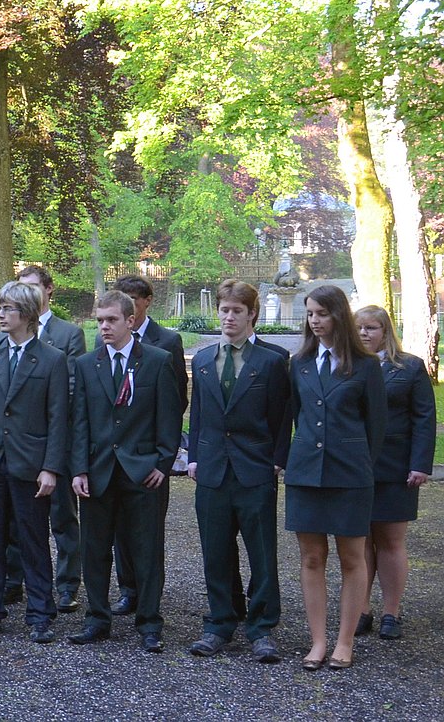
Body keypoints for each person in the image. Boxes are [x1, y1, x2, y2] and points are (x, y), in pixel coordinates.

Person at [69, 290, 181, 653]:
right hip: (98, 471)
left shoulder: (157, 361)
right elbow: (79, 420)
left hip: (143, 471)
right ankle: (96, 618)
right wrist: (78, 469)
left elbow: (169, 416)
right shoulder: (87, 364)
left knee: (146, 550)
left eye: (111, 320)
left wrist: (162, 463)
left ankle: (149, 622)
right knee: (95, 549)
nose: (104, 326)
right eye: (99, 320)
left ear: (130, 321)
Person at [282, 285, 386, 671]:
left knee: (351, 557)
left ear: (339, 315)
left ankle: (345, 641)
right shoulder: (300, 363)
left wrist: (359, 466)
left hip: (350, 475)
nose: (314, 320)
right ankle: (318, 642)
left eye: (322, 313)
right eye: (310, 313)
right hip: (305, 474)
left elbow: (376, 427)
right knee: (311, 558)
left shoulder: (366, 365)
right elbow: (294, 415)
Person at [186, 280, 290, 663]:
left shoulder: (271, 361)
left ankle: (261, 627)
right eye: (224, 310)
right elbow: (198, 414)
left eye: (237, 311)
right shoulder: (202, 360)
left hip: (255, 468)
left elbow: (282, 415)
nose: (229, 317)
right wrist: (193, 456)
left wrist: (277, 458)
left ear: (251, 314)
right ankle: (219, 622)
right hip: (212, 469)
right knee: (215, 551)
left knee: (261, 551)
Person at [0, 282, 67, 641]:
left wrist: (50, 468)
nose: (0, 314)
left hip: (31, 465)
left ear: (28, 313)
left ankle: (40, 613)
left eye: (7, 308)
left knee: (33, 541)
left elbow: (58, 418)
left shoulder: (52, 359)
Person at [98, 274, 187, 616]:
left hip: (146, 451)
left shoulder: (167, 342)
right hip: (113, 454)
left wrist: (162, 455)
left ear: (145, 303)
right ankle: (128, 588)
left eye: (133, 299)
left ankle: (149, 600)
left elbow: (175, 400)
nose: (128, 305)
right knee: (118, 531)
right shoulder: (103, 342)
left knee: (146, 532)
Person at [354, 305, 434, 641]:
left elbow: (424, 418)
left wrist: (420, 464)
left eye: (371, 327)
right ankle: (360, 610)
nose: (364, 333)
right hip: (355, 468)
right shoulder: (346, 365)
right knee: (358, 542)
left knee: (390, 540)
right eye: (359, 327)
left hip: (396, 467)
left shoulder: (410, 367)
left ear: (385, 330)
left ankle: (391, 612)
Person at [16, 264, 86, 612]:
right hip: (20, 440)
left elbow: (71, 386)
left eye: (32, 287)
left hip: (57, 436)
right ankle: (18, 582)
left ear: (48, 290)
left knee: (62, 515)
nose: (26, 294)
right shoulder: (12, 331)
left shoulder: (69, 334)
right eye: (21, 287)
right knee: (20, 516)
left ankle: (68, 584)